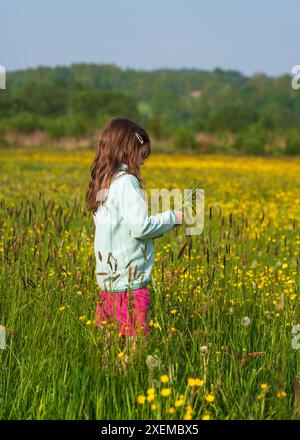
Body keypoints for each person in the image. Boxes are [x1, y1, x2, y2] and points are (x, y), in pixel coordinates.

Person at [86, 117, 183, 365]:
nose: (142, 162)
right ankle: (130, 382)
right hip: (130, 279)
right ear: (127, 150)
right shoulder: (126, 183)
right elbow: (140, 227)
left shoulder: (104, 181)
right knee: (135, 342)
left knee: (108, 344)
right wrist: (173, 217)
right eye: (141, 156)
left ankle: (107, 384)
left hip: (107, 279)